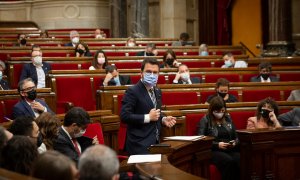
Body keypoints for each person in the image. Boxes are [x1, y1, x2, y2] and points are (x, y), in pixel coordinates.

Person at [120, 58, 176, 155]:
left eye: (155, 72)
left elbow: (155, 112)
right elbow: (124, 116)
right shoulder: (132, 91)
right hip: (139, 145)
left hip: (155, 143)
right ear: (141, 73)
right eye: (148, 72)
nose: (152, 75)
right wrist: (148, 117)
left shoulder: (157, 91)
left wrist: (163, 119)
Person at [197, 96, 240, 180]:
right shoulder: (205, 120)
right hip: (213, 150)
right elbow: (200, 139)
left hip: (229, 148)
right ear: (212, 110)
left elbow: (236, 135)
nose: (220, 113)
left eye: (222, 111)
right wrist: (217, 145)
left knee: (239, 159)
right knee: (228, 161)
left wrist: (234, 142)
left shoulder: (228, 118)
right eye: (217, 111)